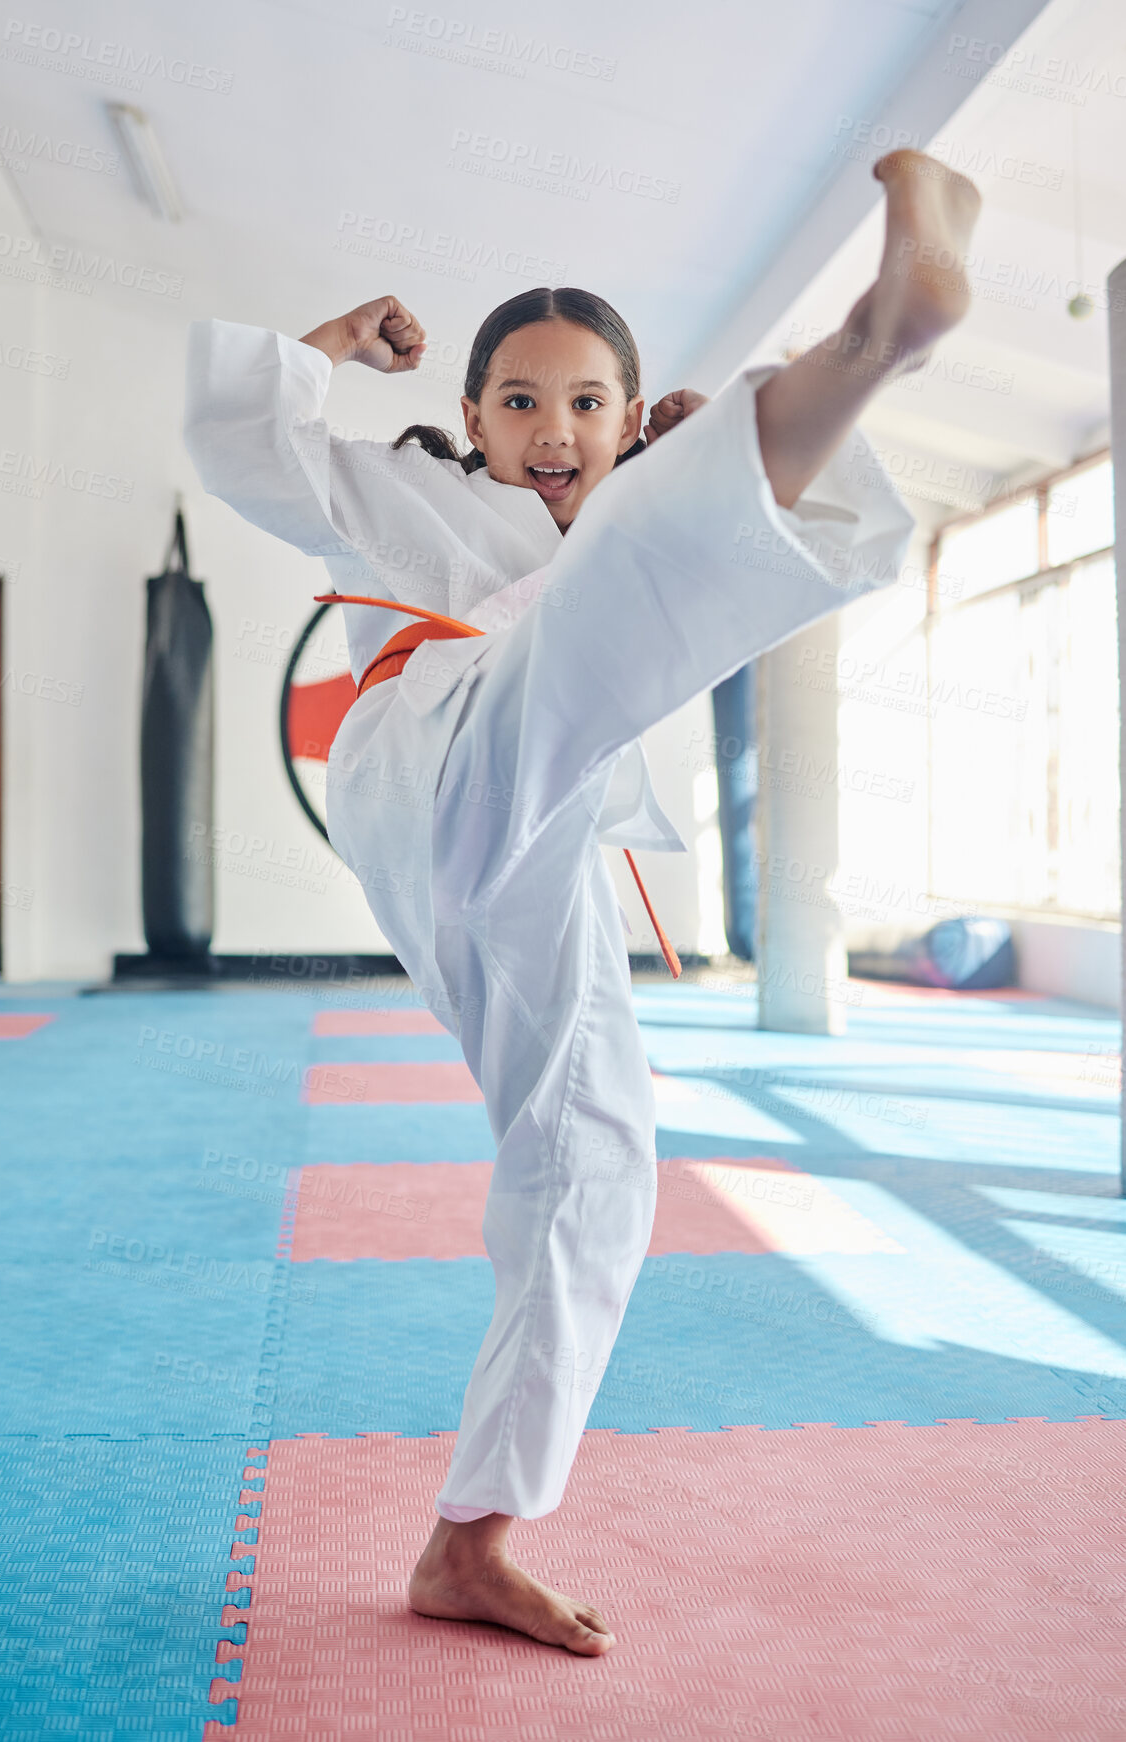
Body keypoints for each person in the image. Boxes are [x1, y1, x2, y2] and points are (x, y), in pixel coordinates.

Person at [185, 149, 981, 1655]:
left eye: (589, 403)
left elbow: (640, 587)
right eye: (522, 401)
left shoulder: (614, 525)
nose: (554, 430)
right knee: (611, 590)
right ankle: (882, 336)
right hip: (426, 751)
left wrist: (681, 489)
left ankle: (470, 1535)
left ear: (626, 413)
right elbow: (253, 452)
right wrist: (331, 348)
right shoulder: (409, 493)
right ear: (473, 419)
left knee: (599, 1158)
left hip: (540, 835)